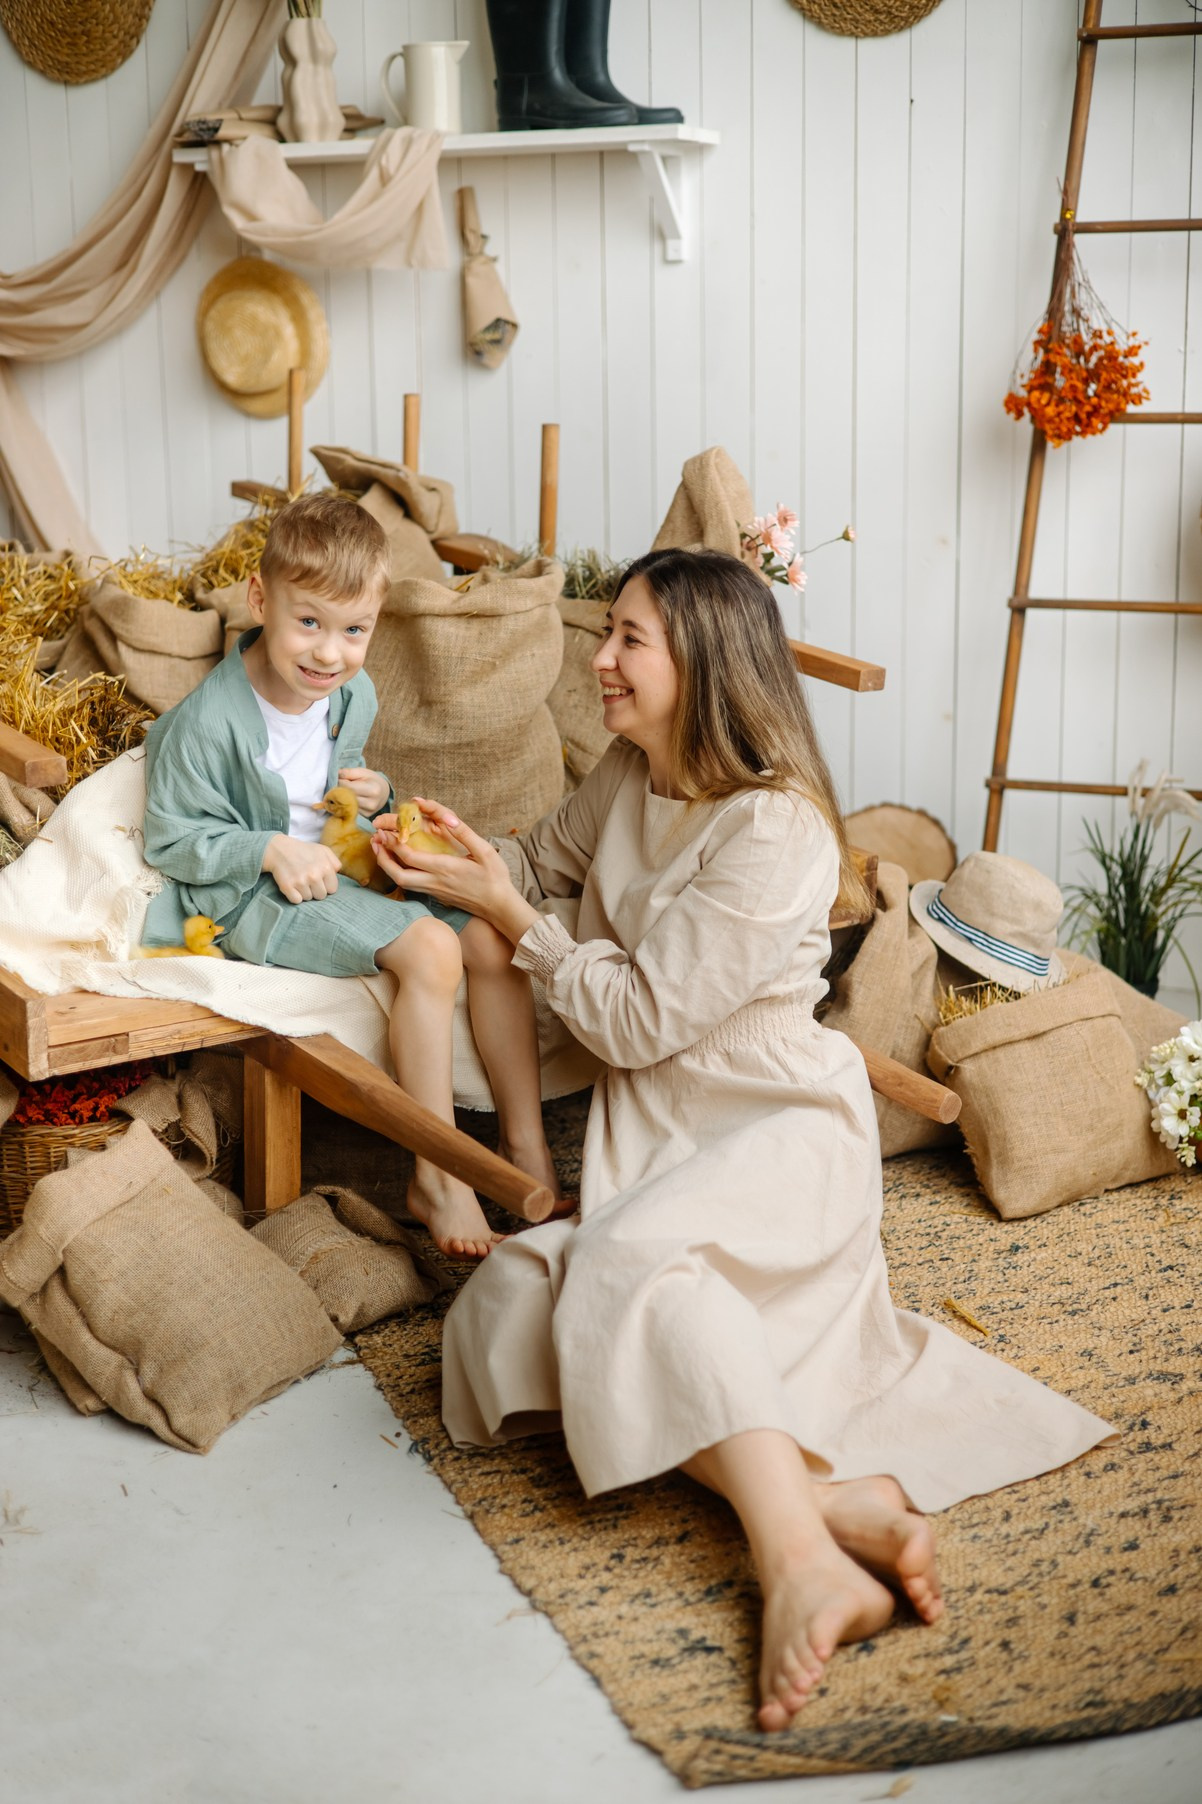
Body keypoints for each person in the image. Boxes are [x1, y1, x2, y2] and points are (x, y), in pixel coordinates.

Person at [370, 547, 1115, 1731]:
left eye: (626, 640)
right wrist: (458, 856)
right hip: (656, 1129)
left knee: (633, 1275)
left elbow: (637, 1015)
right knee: (505, 1311)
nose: (599, 660)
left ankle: (793, 1561)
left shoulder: (778, 831)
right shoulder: (625, 775)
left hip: (769, 1125)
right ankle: (839, 1501)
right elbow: (535, 866)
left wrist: (512, 919)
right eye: (605, 632)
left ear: (703, 665)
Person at [140, 492, 560, 1257]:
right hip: (255, 894)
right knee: (431, 949)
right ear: (260, 599)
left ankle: (525, 1151)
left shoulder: (351, 695)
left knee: (494, 942)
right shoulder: (207, 725)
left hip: (341, 859)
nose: (329, 653)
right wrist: (267, 850)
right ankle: (437, 1172)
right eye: (309, 622)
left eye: (353, 631)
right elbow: (173, 838)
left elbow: (336, 780)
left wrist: (375, 795)